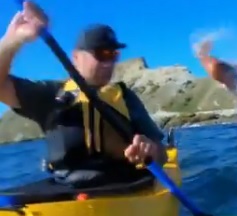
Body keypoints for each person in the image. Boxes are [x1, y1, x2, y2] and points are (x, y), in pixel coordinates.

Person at [0, 1, 167, 187]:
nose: (108, 63)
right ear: (76, 57)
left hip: (124, 186)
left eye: (113, 55)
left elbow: (162, 153)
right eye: (102, 54)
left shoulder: (125, 97)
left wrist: (151, 151)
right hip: (66, 190)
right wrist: (12, 40)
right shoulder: (51, 95)